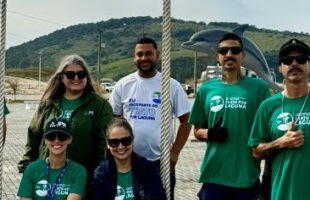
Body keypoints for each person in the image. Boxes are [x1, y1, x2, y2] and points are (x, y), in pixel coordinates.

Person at [188, 33, 271, 200]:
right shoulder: (206, 89)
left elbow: (268, 132)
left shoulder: (260, 88)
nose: (229, 54)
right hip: (213, 177)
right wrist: (210, 134)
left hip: (246, 179)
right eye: (224, 51)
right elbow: (197, 130)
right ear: (217, 56)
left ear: (243, 55)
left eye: (235, 50)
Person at [18, 54, 113, 198]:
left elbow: (105, 145)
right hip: (46, 178)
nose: (76, 78)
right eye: (70, 74)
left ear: (87, 77)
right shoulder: (48, 103)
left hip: (81, 179)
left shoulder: (100, 105)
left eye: (81, 74)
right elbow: (33, 135)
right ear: (61, 78)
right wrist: (27, 168)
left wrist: (97, 178)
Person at [109, 37, 192, 199]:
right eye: (139, 54)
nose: (144, 58)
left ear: (158, 55)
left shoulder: (171, 85)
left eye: (149, 53)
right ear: (134, 57)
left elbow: (186, 120)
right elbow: (113, 122)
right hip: (127, 160)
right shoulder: (123, 85)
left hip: (160, 162)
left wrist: (174, 152)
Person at [249, 39, 310, 200]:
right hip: (281, 194)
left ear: (308, 65)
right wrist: (281, 142)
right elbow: (256, 151)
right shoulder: (268, 106)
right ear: (280, 67)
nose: (294, 63)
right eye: (288, 60)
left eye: (301, 59)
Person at [93, 117, 166, 200]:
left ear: (132, 140)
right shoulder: (101, 173)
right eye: (114, 142)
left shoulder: (148, 170)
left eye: (126, 141)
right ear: (108, 144)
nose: (120, 147)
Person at [17, 117, 87, 200]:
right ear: (45, 140)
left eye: (62, 136)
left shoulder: (78, 171)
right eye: (51, 136)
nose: (56, 140)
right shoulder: (32, 169)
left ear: (69, 139)